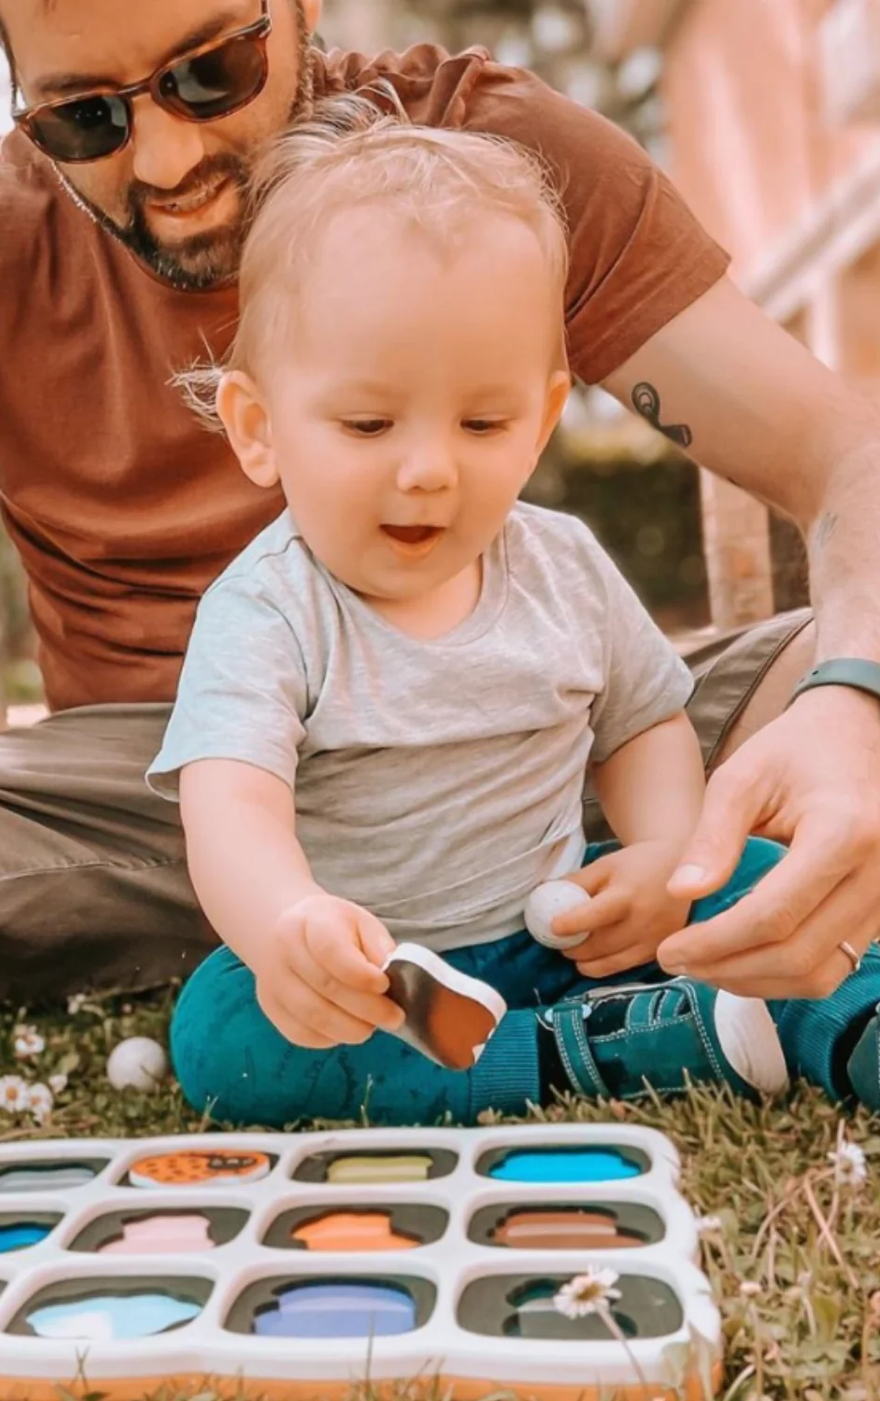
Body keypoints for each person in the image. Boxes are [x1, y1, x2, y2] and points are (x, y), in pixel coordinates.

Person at [0, 0, 879, 1024]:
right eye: (83, 117)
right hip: (142, 808)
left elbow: (846, 456)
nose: (160, 161)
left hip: (526, 729)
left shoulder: (496, 158)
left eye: (212, 70)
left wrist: (854, 701)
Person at [150, 96, 880, 1126]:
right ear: (258, 428)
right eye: (366, 423)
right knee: (224, 1036)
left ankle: (841, 1020)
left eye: (482, 421)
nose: (426, 470)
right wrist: (286, 925)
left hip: (566, 927)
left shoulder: (562, 565)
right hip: (398, 984)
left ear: (539, 420)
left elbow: (640, 724)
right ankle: (604, 1048)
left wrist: (664, 859)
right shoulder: (266, 613)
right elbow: (229, 807)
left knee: (757, 878)